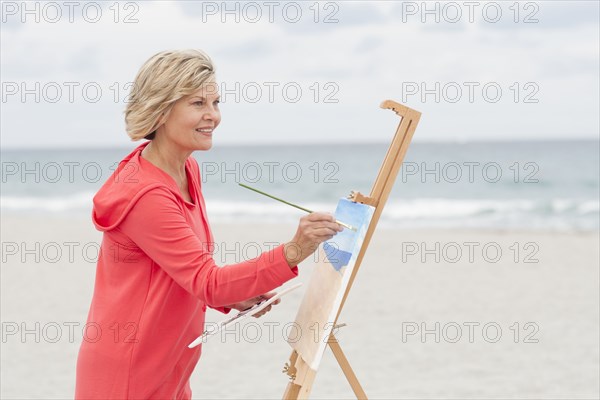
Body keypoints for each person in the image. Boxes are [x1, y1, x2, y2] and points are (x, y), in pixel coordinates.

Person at [74, 49, 342, 399]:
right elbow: (208, 281)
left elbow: (184, 271)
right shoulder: (146, 194)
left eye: (216, 102)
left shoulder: (186, 169)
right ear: (161, 109)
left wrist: (235, 298)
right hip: (129, 376)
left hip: (171, 368)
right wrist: (295, 250)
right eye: (198, 103)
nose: (213, 116)